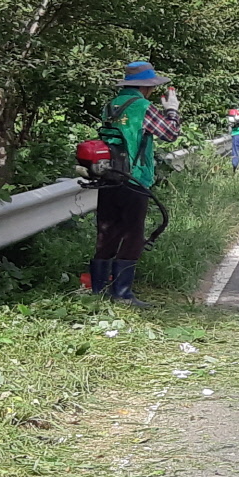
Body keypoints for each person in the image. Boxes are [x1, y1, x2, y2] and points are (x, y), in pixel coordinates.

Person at [90, 61, 181, 307]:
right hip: (135, 177)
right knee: (132, 235)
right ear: (147, 87)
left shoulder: (111, 105)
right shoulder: (143, 107)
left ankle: (99, 291)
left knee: (107, 233)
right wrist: (172, 110)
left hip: (108, 176)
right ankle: (122, 294)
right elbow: (170, 134)